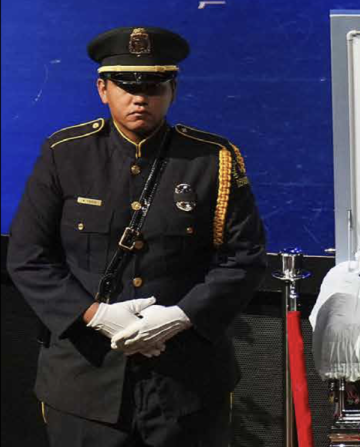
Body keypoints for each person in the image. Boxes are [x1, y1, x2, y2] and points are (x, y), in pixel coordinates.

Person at [6, 26, 266, 446]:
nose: (140, 97)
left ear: (173, 91)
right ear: (102, 89)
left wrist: (181, 317)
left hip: (186, 383)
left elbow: (245, 257)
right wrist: (96, 315)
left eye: (153, 86)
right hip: (85, 383)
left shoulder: (211, 160)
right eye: (126, 86)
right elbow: (27, 255)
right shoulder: (65, 154)